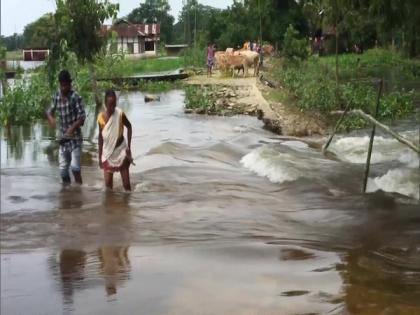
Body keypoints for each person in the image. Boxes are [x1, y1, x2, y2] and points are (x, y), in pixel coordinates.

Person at [47, 70, 86, 185]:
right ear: (60, 84)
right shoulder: (56, 96)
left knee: (75, 168)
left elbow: (82, 117)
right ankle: (68, 193)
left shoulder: (75, 97)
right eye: (62, 85)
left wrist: (72, 128)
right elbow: (49, 111)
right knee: (63, 171)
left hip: (75, 139)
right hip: (63, 139)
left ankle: (79, 193)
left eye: (66, 85)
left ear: (70, 84)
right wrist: (51, 118)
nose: (64, 88)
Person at [98, 89, 132, 191]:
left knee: (126, 186)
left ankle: (126, 206)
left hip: (121, 150)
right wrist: (100, 156)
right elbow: (100, 137)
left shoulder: (120, 114)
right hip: (108, 152)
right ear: (105, 104)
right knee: (108, 187)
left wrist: (129, 147)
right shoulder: (100, 118)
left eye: (114, 104)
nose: (112, 107)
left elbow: (129, 127)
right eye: (110, 105)